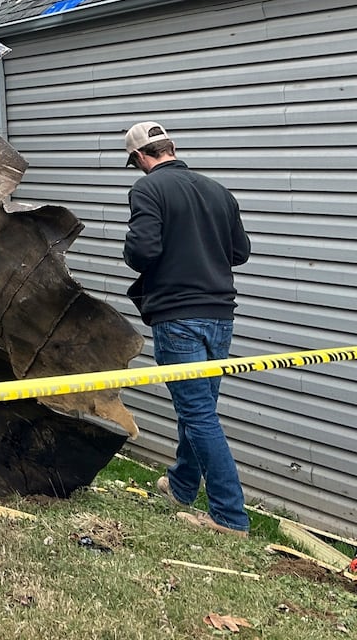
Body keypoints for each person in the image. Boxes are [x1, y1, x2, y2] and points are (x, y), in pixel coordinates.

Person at [122, 120, 252, 537]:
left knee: (197, 415)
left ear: (141, 157)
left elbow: (142, 252)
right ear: (171, 148)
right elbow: (240, 252)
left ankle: (230, 516)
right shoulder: (218, 191)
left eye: (135, 162)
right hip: (220, 317)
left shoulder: (148, 190)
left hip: (178, 317)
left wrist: (134, 247)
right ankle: (181, 486)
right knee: (198, 409)